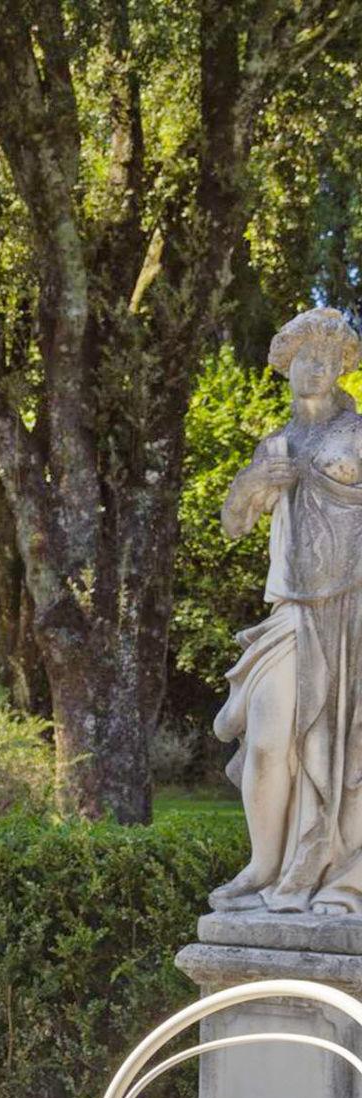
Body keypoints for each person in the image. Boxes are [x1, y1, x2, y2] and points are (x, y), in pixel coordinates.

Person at [213, 307, 362, 913]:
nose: (314, 369)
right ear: (287, 365)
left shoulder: (357, 435)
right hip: (291, 611)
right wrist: (251, 482)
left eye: (326, 360)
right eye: (305, 358)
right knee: (271, 740)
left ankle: (337, 878)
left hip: (352, 609)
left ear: (342, 369)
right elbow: (233, 525)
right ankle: (263, 866)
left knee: (348, 746)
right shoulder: (273, 443)